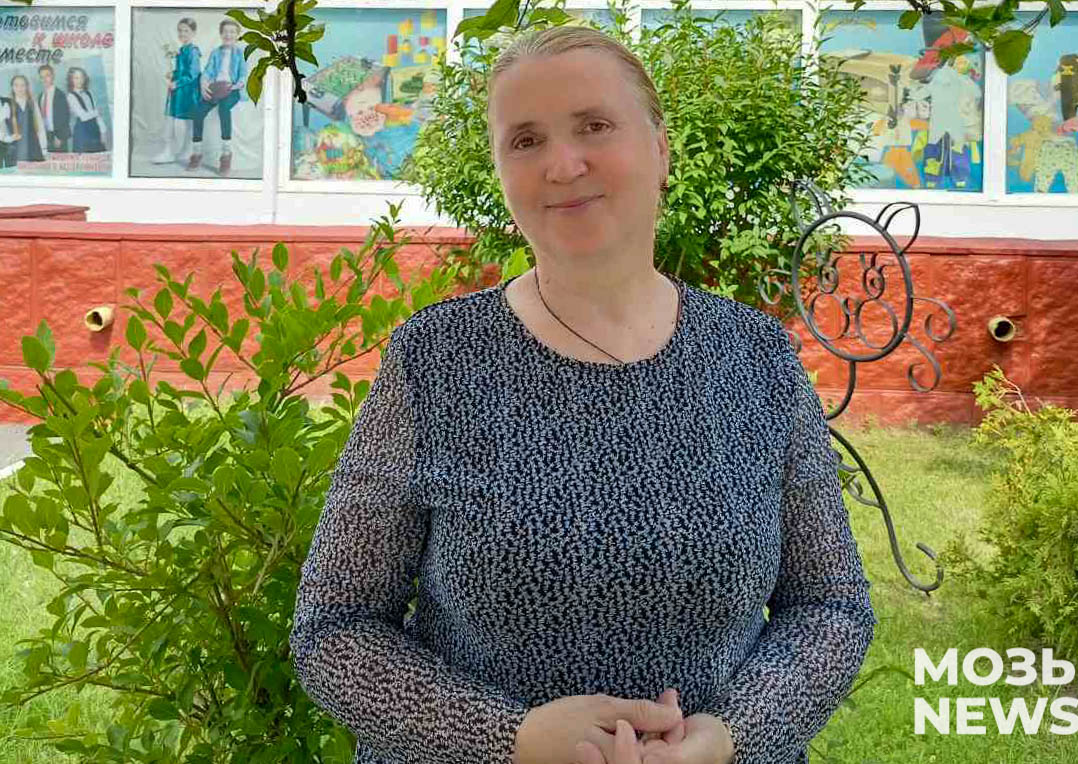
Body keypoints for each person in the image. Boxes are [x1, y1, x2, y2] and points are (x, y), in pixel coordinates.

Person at [288, 24, 876, 764]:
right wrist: (511, 738)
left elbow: (830, 606)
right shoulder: (436, 362)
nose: (563, 165)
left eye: (594, 126)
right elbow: (335, 628)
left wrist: (729, 737)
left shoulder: (757, 358)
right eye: (525, 140)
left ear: (661, 150)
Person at [188, 18, 247, 176]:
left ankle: (226, 154)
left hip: (232, 88)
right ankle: (197, 152)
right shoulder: (216, 53)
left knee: (224, 108)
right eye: (225, 32)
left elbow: (243, 74)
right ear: (221, 34)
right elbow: (207, 71)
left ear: (237, 35)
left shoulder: (240, 53)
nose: (228, 35)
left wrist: (236, 85)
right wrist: (203, 84)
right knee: (198, 112)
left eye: (232, 32)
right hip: (216, 88)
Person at [153, 17, 202, 164]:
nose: (182, 33)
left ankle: (186, 149)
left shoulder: (193, 51)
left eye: (186, 31)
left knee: (186, 122)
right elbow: (182, 70)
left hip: (188, 91)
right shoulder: (181, 50)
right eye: (180, 30)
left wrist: (177, 82)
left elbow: (193, 73)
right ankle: (169, 150)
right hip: (179, 90)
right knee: (172, 119)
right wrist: (173, 73)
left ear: (193, 32)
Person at [6, 75, 47, 163]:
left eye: (22, 85)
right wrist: (8, 138)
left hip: (32, 147)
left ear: (26, 87)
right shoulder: (7, 105)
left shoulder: (32, 103)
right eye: (16, 85)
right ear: (12, 87)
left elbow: (40, 127)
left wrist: (44, 148)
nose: (19, 88)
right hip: (15, 149)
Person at [66, 67, 106, 153]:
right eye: (76, 78)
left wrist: (103, 131)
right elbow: (83, 116)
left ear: (85, 78)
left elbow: (98, 116)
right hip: (82, 133)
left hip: (94, 130)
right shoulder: (71, 96)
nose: (79, 80)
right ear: (71, 80)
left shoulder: (89, 93)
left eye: (81, 77)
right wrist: (97, 112)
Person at [37, 64, 70, 153]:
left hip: (58, 136)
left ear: (53, 76)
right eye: (42, 77)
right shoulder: (41, 96)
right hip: (46, 136)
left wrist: (59, 137)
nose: (44, 79)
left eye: (47, 75)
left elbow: (65, 117)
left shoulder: (60, 94)